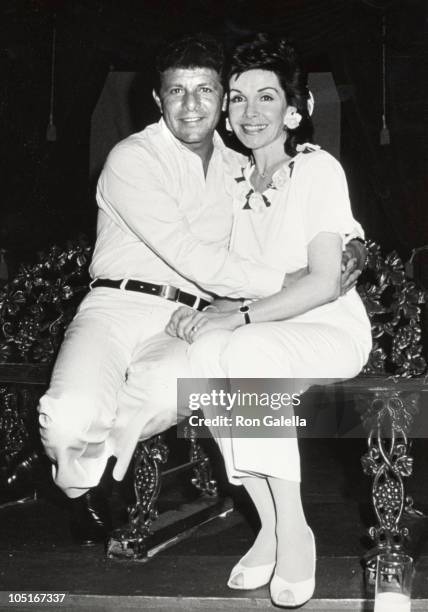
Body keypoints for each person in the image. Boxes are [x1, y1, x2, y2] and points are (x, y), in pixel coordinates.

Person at [37, 33, 364, 547]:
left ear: (221, 101)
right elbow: (193, 257)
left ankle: (105, 471)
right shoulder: (132, 158)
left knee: (181, 387)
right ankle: (82, 481)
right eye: (176, 91)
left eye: (207, 91)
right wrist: (286, 282)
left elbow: (306, 204)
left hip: (191, 318)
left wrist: (353, 243)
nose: (192, 105)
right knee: (67, 418)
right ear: (156, 99)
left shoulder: (243, 167)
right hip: (118, 305)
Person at [166, 34, 372, 608]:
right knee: (205, 354)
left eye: (266, 97)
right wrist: (205, 311)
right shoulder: (230, 185)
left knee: (246, 351)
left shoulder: (316, 170)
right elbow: (221, 277)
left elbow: (324, 280)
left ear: (294, 110)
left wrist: (241, 315)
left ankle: (296, 529)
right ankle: (270, 525)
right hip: (263, 333)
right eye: (236, 98)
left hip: (330, 329)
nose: (249, 112)